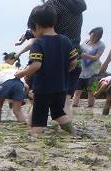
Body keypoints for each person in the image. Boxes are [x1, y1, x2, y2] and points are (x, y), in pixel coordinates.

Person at [15, 4, 77, 135]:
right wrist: (63, 72)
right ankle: (73, 132)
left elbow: (36, 65)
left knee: (38, 119)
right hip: (61, 87)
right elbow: (74, 62)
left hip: (43, 88)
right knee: (59, 113)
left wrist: (21, 73)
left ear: (36, 25)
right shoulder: (66, 40)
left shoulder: (38, 42)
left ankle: (35, 139)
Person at [0, 53, 27, 123]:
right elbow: (26, 87)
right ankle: (24, 122)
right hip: (19, 84)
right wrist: (21, 99)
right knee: (17, 110)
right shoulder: (15, 70)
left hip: (5, 84)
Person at [73, 27, 104, 108]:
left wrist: (83, 55)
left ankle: (90, 107)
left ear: (99, 37)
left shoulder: (101, 45)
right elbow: (78, 50)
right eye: (91, 35)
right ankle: (74, 105)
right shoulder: (86, 41)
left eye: (95, 36)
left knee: (91, 92)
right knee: (77, 91)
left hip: (94, 72)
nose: (92, 38)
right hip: (81, 70)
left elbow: (96, 58)